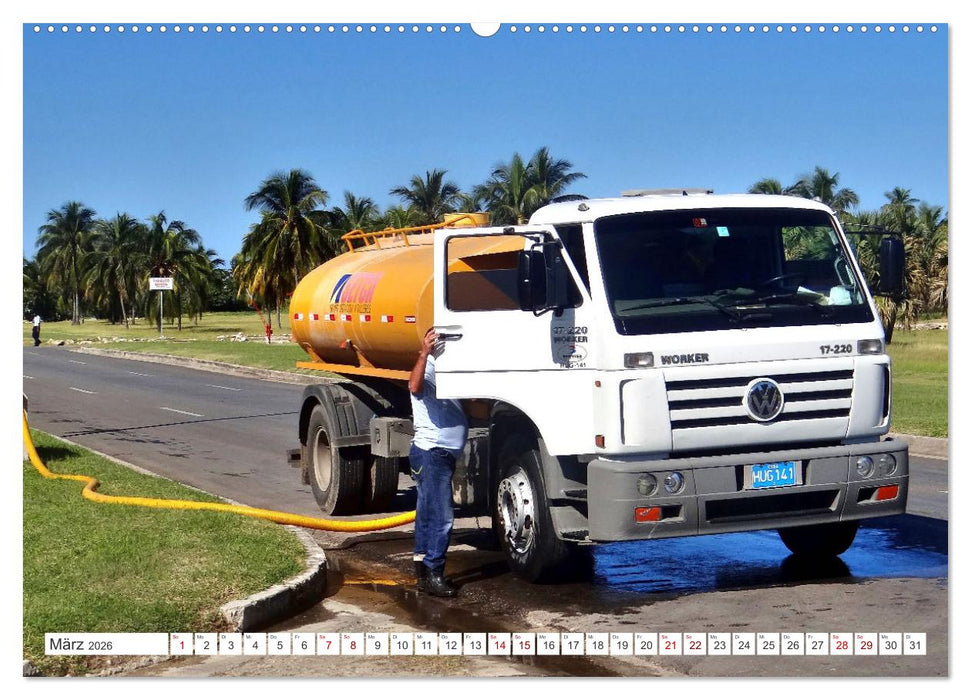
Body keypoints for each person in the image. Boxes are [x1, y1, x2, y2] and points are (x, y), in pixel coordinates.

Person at [408, 328, 468, 597]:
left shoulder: (448, 372)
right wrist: (424, 354)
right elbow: (414, 386)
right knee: (442, 518)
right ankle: (434, 573)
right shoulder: (429, 368)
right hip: (432, 453)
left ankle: (422, 570)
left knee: (427, 513)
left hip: (438, 455)